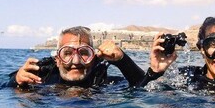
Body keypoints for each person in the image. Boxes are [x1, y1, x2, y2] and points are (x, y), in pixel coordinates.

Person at [8, 26, 145, 89]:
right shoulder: (43, 80)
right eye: (67, 53)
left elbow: (143, 86)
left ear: (94, 58)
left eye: (84, 53)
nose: (76, 61)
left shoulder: (106, 84)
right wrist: (16, 80)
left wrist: (123, 60)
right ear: (57, 59)